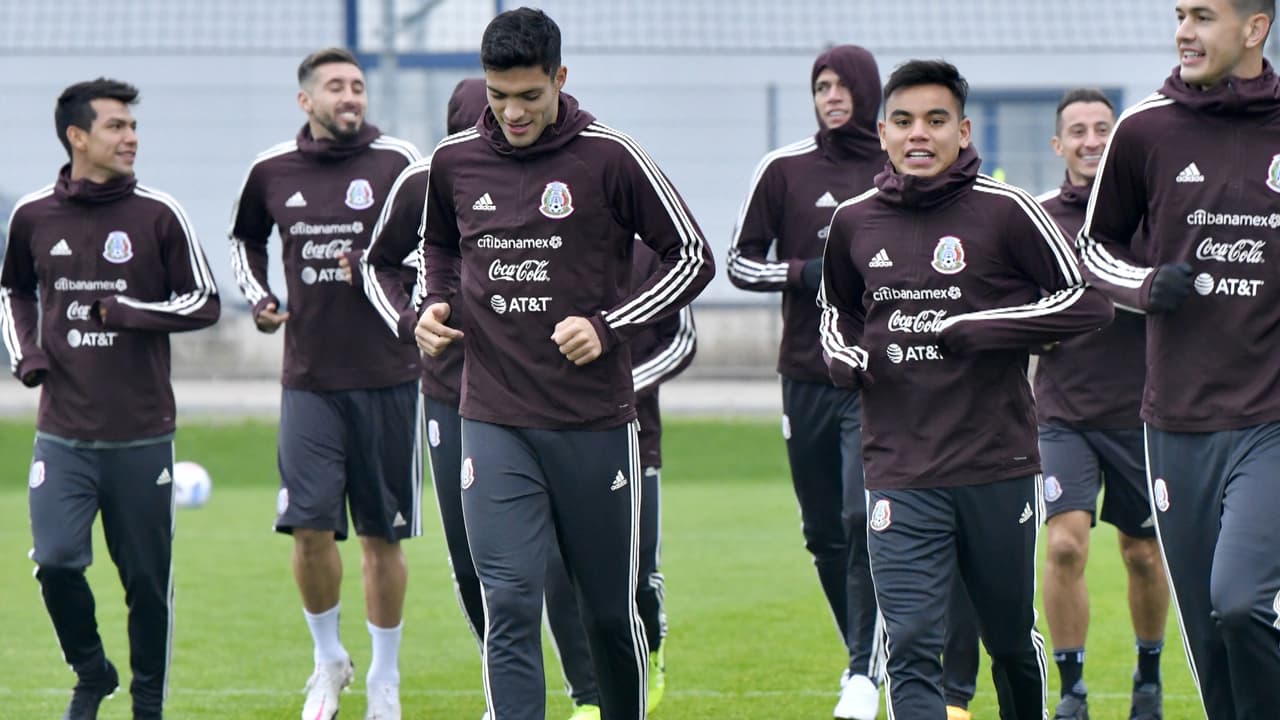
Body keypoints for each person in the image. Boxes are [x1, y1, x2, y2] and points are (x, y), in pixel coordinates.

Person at [413, 8, 714, 719]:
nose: (513, 112)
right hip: (493, 418)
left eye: (530, 95)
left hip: (592, 423)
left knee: (607, 613)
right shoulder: (454, 161)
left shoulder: (610, 158)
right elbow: (440, 245)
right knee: (510, 603)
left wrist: (610, 326)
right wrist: (435, 302)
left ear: (560, 79)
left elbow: (692, 257)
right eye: (499, 96)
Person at [818, 59, 1114, 718]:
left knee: (1007, 641)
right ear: (883, 132)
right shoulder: (854, 221)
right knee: (911, 647)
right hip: (899, 467)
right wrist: (844, 356)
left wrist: (989, 327)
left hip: (995, 465)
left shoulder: (1007, 211)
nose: (918, 134)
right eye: (903, 121)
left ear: (963, 130)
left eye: (935, 120)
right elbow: (836, 314)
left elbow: (1087, 302)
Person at [1077, 1, 1280, 717]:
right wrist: (1143, 286)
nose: (1184, 32)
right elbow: (1093, 247)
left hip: (1269, 418)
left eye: (1203, 16)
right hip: (1175, 425)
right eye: (1179, 14)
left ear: (1254, 28)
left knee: (1242, 601)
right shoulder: (1145, 129)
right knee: (1210, 643)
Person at [0, 77, 220, 720]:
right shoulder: (33, 214)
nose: (131, 138)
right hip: (62, 434)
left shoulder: (159, 214)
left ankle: (147, 706)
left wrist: (130, 311)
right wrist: (27, 353)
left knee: (147, 584)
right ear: (77, 136)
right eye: (116, 127)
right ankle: (92, 672)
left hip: (142, 435)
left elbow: (203, 302)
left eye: (133, 127)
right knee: (56, 563)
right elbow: (13, 291)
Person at [227, 47, 422, 720]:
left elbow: (438, 246)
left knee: (381, 539)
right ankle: (329, 660)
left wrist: (382, 273)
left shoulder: (399, 163)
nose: (351, 96)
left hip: (390, 378)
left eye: (358, 85)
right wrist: (260, 299)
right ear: (306, 100)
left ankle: (384, 680)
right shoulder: (271, 169)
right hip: (309, 381)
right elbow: (244, 241)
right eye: (336, 86)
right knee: (308, 530)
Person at [725, 44, 886, 719]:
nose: (831, 97)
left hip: (873, 378)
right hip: (803, 374)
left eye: (843, 86)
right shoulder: (783, 170)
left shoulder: (893, 168)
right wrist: (801, 273)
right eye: (821, 86)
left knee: (859, 516)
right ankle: (863, 652)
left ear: (868, 91)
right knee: (823, 531)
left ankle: (863, 671)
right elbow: (739, 263)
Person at [1035, 88, 1168, 720]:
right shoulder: (1038, 220)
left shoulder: (1149, 213)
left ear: (1117, 141)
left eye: (1102, 129)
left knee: (1143, 553)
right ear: (1058, 145)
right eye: (1078, 131)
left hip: (1141, 413)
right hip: (1062, 415)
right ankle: (1072, 693)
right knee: (1065, 546)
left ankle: (1149, 677)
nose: (1091, 141)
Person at [542, 239, 697, 719]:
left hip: (633, 435)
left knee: (636, 572)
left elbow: (682, 342)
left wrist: (621, 386)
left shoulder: (653, 253)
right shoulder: (546, 243)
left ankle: (651, 649)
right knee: (557, 572)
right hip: (553, 434)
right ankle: (587, 696)